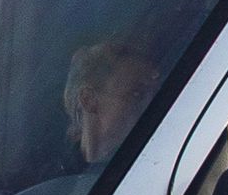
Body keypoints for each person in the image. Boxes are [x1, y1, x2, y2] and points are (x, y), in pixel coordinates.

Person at [52, 39, 163, 179]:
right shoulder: (51, 180)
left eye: (155, 94)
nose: (152, 104)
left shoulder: (157, 168)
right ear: (89, 100)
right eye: (137, 94)